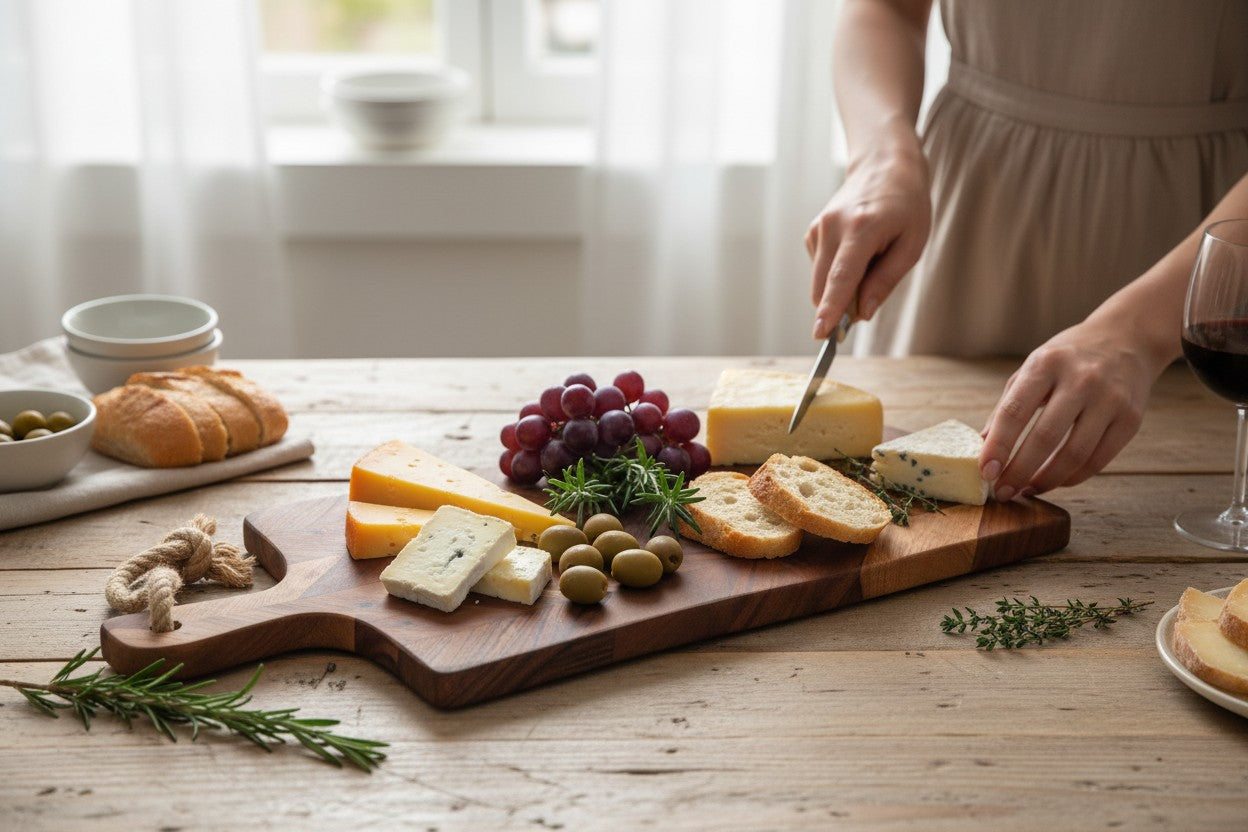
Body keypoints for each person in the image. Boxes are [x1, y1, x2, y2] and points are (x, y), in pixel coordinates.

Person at [806, 0, 1248, 501]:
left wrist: (1140, 332)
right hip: (968, 218)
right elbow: (888, 9)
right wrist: (881, 156)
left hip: (1207, 249)